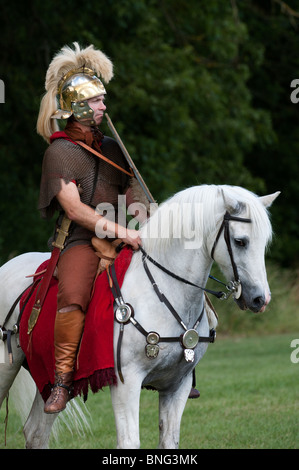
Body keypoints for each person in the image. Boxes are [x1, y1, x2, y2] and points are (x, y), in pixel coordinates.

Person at [36, 43, 141, 414]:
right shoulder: (59, 152)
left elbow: (133, 196)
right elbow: (75, 209)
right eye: (96, 101)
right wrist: (122, 231)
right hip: (81, 240)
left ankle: (182, 362)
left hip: (124, 236)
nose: (103, 107)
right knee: (74, 297)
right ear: (78, 107)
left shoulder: (112, 147)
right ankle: (62, 382)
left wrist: (149, 222)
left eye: (102, 100)